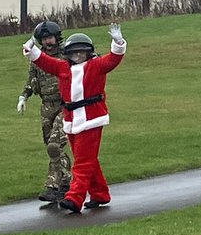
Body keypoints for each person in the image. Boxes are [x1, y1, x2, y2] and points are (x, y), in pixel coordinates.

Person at [22, 23, 126, 214]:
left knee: (83, 162)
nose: (78, 57)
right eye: (74, 53)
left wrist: (118, 42)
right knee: (87, 159)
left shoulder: (96, 65)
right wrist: (31, 49)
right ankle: (100, 194)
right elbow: (43, 61)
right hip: (71, 119)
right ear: (68, 54)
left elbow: (113, 59)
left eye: (81, 53)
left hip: (92, 118)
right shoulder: (63, 67)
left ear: (88, 53)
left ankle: (74, 198)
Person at [16, 20, 71, 203]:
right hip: (47, 106)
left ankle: (52, 186)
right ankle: (66, 184)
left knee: (54, 146)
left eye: (50, 38)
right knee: (53, 149)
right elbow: (32, 80)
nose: (48, 42)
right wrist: (24, 97)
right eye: (44, 39)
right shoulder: (37, 58)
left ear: (57, 37)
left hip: (65, 104)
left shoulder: (67, 54)